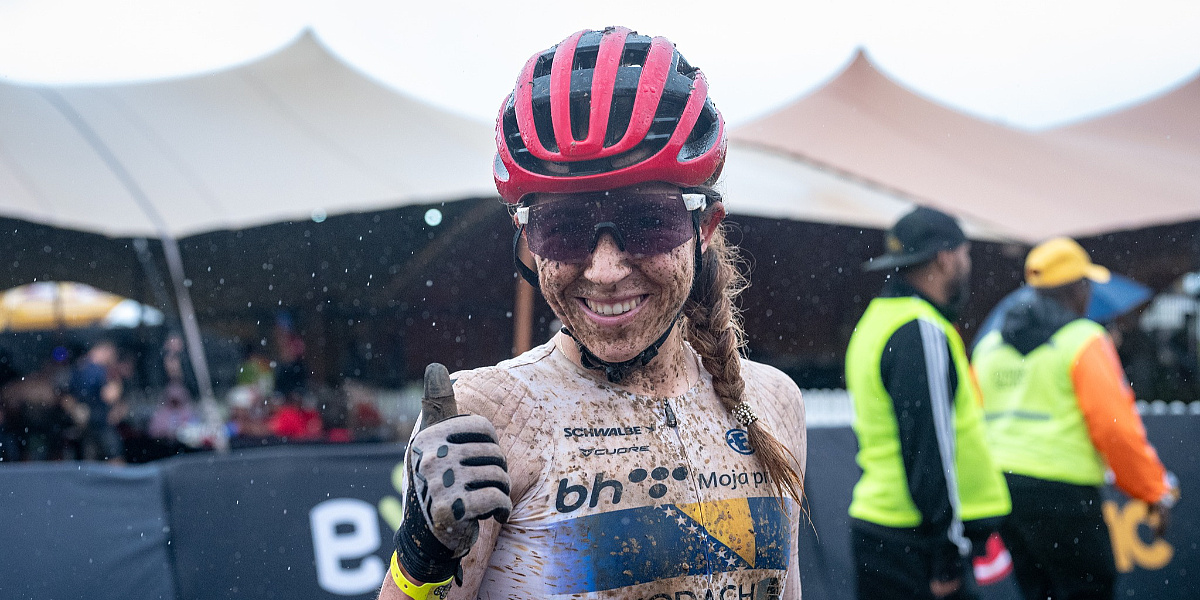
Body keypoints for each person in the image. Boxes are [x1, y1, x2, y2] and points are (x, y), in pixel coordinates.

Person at [379, 26, 807, 600]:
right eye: (564, 229)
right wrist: (420, 561)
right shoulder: (486, 414)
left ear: (704, 228)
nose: (604, 272)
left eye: (646, 224)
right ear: (528, 240)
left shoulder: (774, 403)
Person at [971, 237, 1181, 600]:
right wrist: (1151, 491)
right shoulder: (1083, 340)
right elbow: (1115, 429)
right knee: (1088, 589)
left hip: (1004, 493)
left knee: (1038, 591)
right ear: (1078, 288)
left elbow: (969, 422)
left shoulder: (989, 345)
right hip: (1064, 495)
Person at [845, 206, 1011, 600]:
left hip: (886, 532)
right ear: (945, 257)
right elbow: (930, 445)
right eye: (966, 253)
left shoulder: (876, 320)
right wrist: (946, 555)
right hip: (917, 541)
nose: (968, 264)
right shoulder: (919, 326)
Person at [66, 341, 127, 462]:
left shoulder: (79, 368)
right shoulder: (98, 370)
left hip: (86, 425)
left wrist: (77, 411)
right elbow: (110, 395)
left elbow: (68, 397)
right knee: (114, 458)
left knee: (90, 460)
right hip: (100, 424)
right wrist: (118, 385)